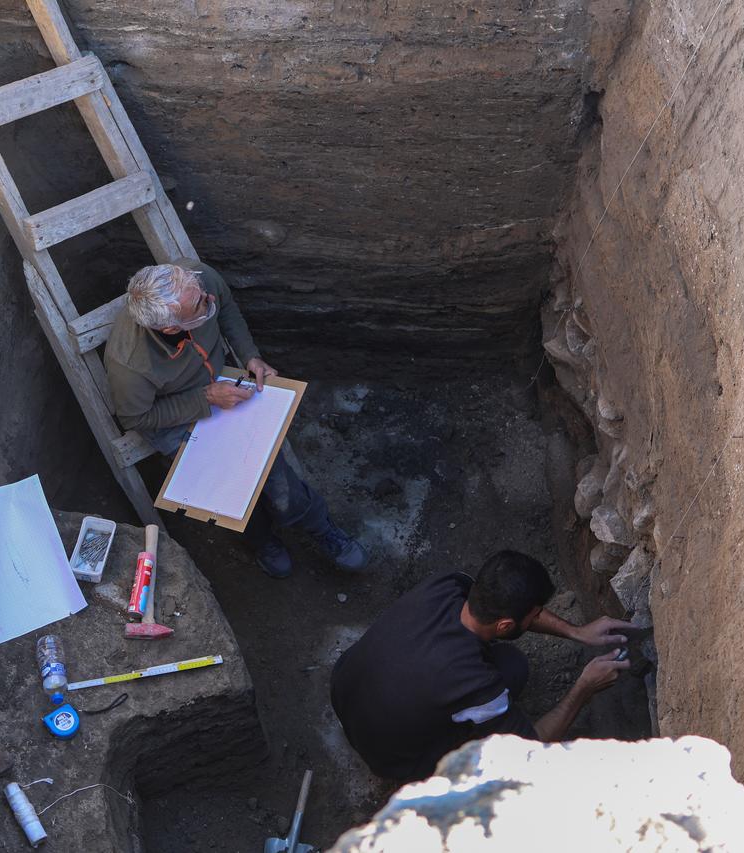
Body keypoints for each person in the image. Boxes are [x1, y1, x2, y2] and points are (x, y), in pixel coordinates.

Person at [104, 258, 367, 578]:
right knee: (226, 488)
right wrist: (205, 398)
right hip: (172, 417)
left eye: (200, 289)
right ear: (172, 328)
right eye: (200, 303)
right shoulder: (130, 365)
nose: (207, 297)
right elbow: (138, 417)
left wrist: (249, 356)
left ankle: (317, 525)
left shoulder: (196, 279)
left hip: (219, 382)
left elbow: (225, 306)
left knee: (269, 467)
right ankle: (261, 540)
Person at [330, 550, 632, 781]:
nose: (538, 617)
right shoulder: (475, 683)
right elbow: (530, 747)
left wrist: (577, 632)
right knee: (509, 687)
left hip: (346, 691)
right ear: (504, 625)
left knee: (512, 667)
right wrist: (584, 688)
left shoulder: (448, 585)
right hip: (391, 759)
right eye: (535, 613)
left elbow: (513, 616)